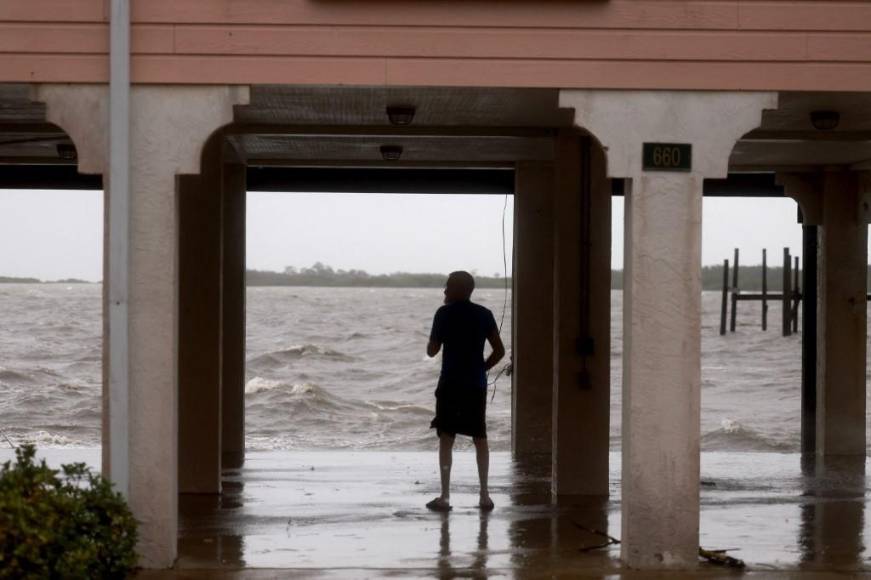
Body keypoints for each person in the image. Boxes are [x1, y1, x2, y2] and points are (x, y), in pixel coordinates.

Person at [425, 270, 505, 512]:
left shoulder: (443, 314)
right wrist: (482, 368)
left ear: (458, 290)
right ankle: (484, 496)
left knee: (447, 438)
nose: (444, 291)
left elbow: (432, 351)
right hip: (475, 385)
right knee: (480, 438)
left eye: (448, 287)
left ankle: (445, 496)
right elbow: (499, 351)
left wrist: (436, 337)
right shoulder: (484, 314)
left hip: (450, 383)